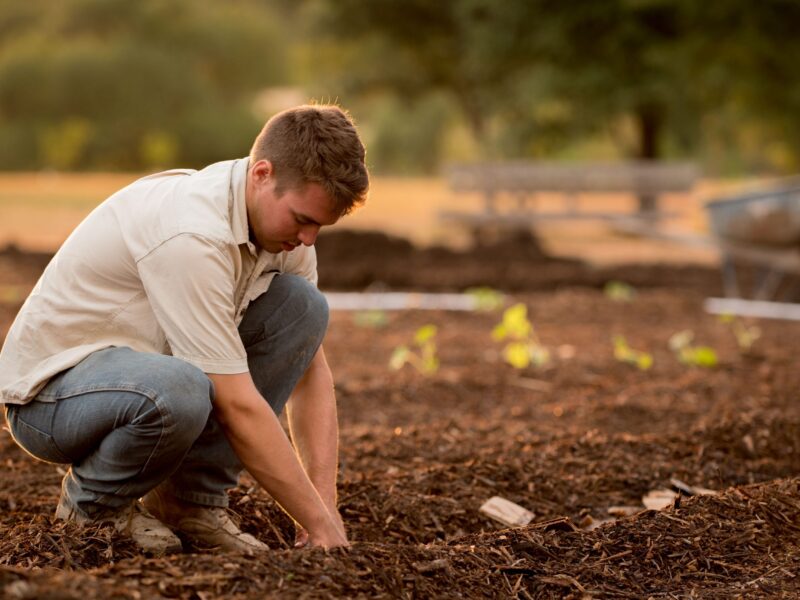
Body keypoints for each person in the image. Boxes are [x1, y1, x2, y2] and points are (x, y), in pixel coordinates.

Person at [0, 104, 369, 555]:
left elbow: (310, 374)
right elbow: (236, 403)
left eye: (319, 226)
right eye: (302, 219)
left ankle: (188, 503)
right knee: (182, 387)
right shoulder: (192, 234)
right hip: (51, 399)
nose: (309, 239)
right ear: (262, 174)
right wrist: (313, 520)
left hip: (144, 376)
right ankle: (93, 508)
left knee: (302, 307)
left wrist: (325, 512)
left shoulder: (281, 236)